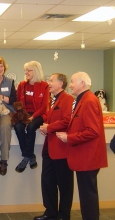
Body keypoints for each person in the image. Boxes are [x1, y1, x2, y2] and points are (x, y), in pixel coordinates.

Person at [56, 72, 108, 220]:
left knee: (88, 197)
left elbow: (92, 131)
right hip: (84, 157)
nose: (70, 85)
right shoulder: (82, 99)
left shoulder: (89, 100)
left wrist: (69, 137)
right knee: (86, 196)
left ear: (82, 84)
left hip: (88, 157)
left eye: (72, 82)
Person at [35, 73, 74, 220]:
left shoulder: (68, 99)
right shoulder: (53, 100)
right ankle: (50, 212)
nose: (48, 83)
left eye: (51, 81)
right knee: (48, 182)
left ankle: (64, 215)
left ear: (61, 84)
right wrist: (45, 128)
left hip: (62, 149)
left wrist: (49, 127)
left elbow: (67, 120)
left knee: (64, 185)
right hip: (49, 149)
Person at [14, 61, 49, 173]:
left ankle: (26, 157)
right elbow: (18, 102)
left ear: (36, 71)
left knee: (31, 127)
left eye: (28, 70)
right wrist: (24, 115)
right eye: (25, 70)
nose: (26, 72)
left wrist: (33, 117)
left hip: (39, 114)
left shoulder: (44, 86)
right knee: (18, 127)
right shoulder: (22, 85)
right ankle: (29, 156)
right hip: (24, 113)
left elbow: (44, 106)